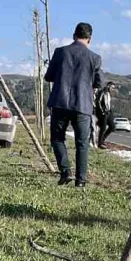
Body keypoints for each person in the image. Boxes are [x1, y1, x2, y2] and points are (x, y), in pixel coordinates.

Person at [45, 22, 103, 186]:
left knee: (57, 139)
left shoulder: (60, 52)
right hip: (83, 106)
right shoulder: (95, 58)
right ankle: (81, 180)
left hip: (60, 102)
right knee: (82, 144)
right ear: (89, 39)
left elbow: (49, 77)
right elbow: (99, 82)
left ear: (73, 36)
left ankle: (65, 172)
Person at [95, 81, 117, 149]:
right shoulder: (102, 92)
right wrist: (102, 112)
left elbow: (109, 104)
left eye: (113, 88)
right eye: (112, 87)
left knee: (112, 127)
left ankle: (103, 140)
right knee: (103, 128)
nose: (112, 89)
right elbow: (98, 102)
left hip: (108, 112)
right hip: (103, 113)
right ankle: (100, 143)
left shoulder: (108, 93)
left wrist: (111, 113)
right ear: (108, 86)